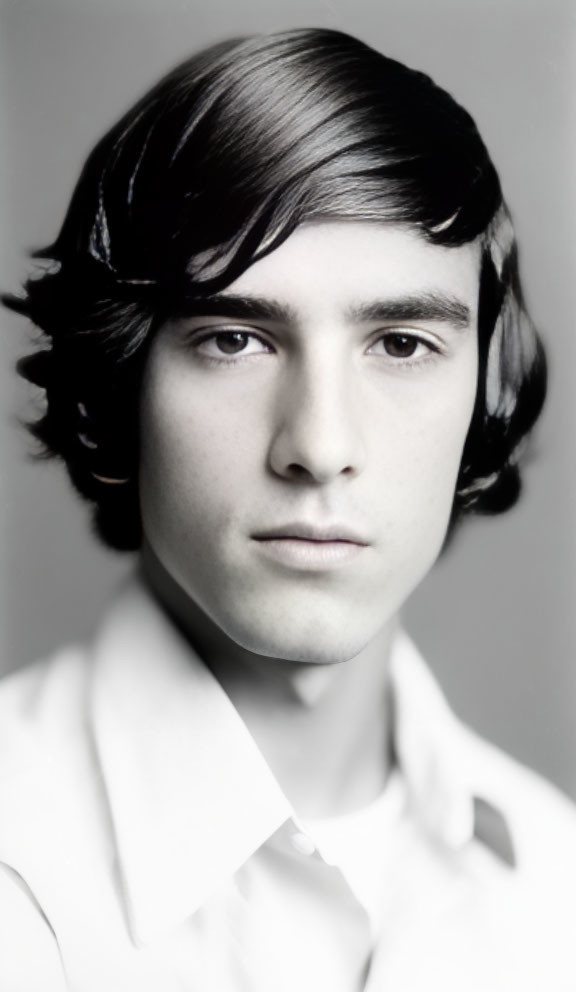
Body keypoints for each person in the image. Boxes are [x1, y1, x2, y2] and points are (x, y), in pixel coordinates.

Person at [0, 26, 574, 992]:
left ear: (487, 389)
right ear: (123, 377)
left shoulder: (558, 885)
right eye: (234, 339)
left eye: (399, 344)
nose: (319, 445)